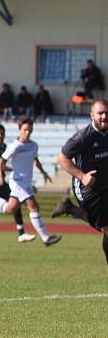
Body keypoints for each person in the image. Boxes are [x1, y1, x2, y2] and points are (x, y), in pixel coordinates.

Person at [52, 100, 108, 263]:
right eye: (100, 113)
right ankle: (71, 208)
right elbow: (62, 159)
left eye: (107, 113)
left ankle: (69, 208)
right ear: (92, 115)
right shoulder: (83, 137)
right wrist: (82, 176)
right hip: (88, 190)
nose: (104, 116)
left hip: (105, 186)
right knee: (105, 228)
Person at [0, 117, 61, 247]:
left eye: (30, 130)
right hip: (17, 182)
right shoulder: (14, 146)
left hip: (26, 183)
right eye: (25, 130)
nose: (27, 133)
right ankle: (46, 238)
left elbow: (35, 160)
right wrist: (0, 176)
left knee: (10, 208)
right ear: (20, 130)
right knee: (33, 206)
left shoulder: (34, 145)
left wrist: (44, 173)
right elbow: (1, 162)